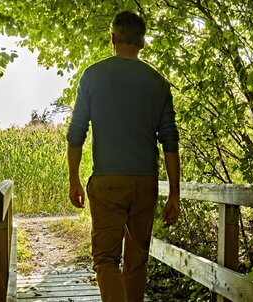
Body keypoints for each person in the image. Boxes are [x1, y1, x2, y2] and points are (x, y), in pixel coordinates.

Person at [66, 10, 181, 302]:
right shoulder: (158, 83)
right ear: (142, 43)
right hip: (146, 183)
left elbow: (77, 133)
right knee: (137, 260)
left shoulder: (92, 76)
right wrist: (175, 195)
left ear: (113, 39)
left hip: (107, 182)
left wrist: (74, 179)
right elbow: (170, 143)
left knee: (105, 259)